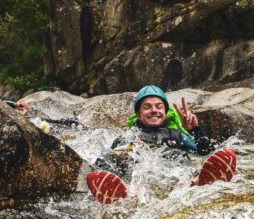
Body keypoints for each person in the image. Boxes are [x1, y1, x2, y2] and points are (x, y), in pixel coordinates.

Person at [87, 85, 236, 204]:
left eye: (159, 106)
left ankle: (194, 185)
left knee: (176, 155)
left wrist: (195, 130)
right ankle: (129, 195)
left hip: (177, 181)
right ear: (138, 114)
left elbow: (207, 154)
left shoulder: (177, 135)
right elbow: (105, 163)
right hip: (141, 185)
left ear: (165, 111)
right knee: (117, 156)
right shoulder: (128, 137)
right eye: (147, 107)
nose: (154, 110)